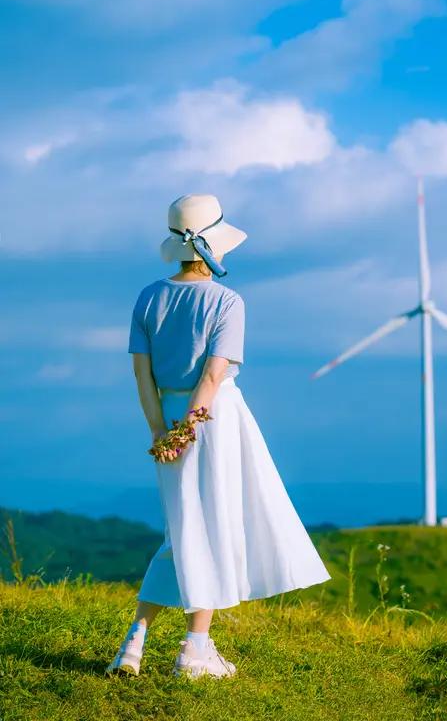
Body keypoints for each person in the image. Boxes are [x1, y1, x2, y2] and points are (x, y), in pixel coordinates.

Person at [106, 194, 332, 680]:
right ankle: (194, 650)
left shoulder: (148, 297)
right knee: (208, 526)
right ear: (212, 245)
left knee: (183, 529)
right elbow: (211, 378)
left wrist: (161, 431)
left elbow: (141, 376)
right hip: (212, 419)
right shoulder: (228, 302)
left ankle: (136, 641)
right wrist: (190, 428)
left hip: (165, 416)